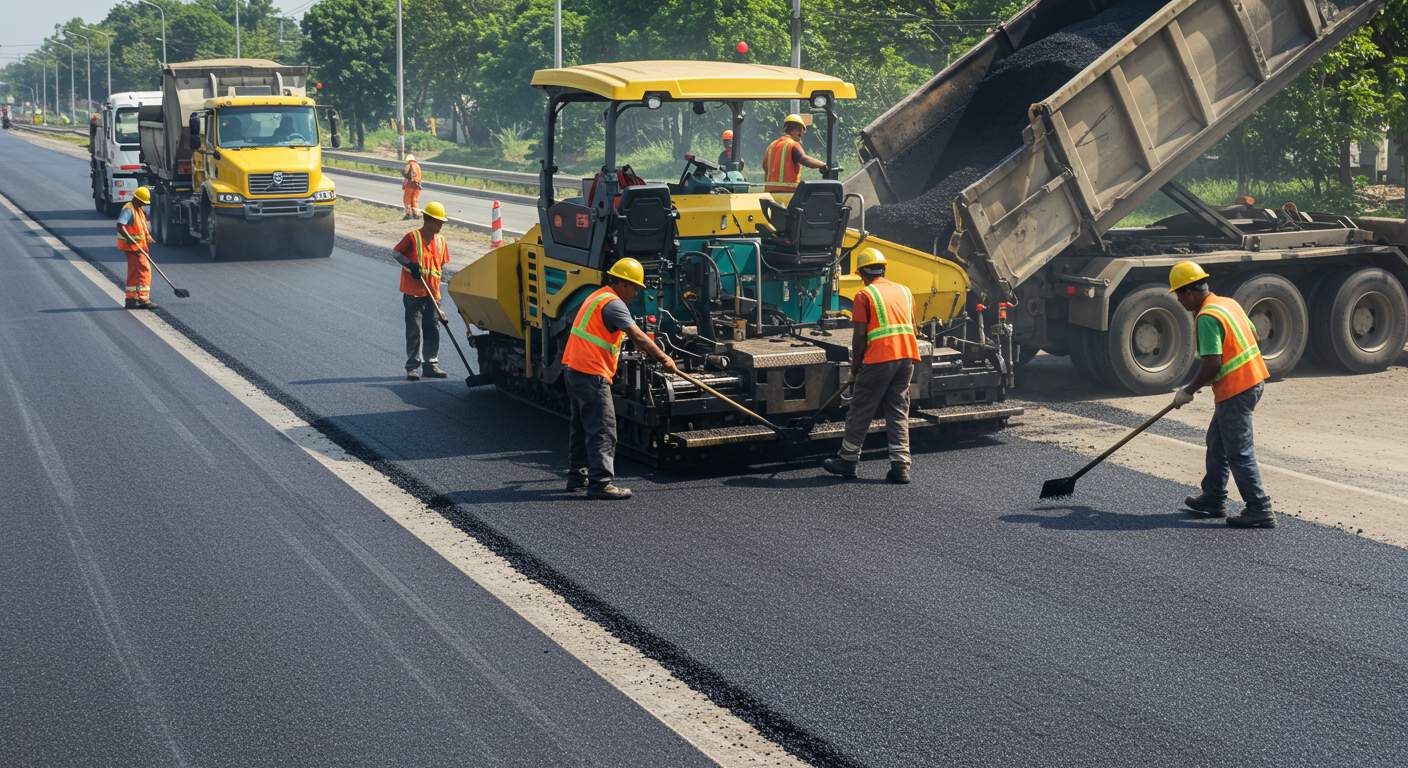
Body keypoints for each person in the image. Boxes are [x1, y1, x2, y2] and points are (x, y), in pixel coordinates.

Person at [561, 258, 679, 500]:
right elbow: (639, 336)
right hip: (591, 373)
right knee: (604, 429)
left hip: (574, 369)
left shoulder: (597, 296)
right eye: (635, 287)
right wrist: (663, 358)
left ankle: (577, 477)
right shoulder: (614, 304)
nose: (636, 293)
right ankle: (601, 483)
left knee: (581, 427)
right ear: (622, 283)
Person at [1168, 261, 1275, 528]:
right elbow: (1254, 336)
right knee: (1217, 441)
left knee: (1238, 451)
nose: (1179, 301)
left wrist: (1188, 391)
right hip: (1254, 380)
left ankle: (1259, 508)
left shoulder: (1206, 317)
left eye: (1179, 295)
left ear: (1190, 292)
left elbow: (1212, 363)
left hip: (1237, 388)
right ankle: (1213, 497)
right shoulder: (1228, 303)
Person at [822, 248, 920, 484]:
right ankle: (901, 466)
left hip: (880, 359)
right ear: (884, 268)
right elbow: (914, 328)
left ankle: (847, 461)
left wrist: (855, 367)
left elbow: (859, 337)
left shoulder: (864, 295)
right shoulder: (905, 291)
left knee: (861, 409)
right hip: (907, 356)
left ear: (862, 273)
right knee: (897, 410)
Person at [393, 201, 451, 380]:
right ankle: (412, 366)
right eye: (438, 222)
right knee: (414, 330)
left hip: (433, 294)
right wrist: (410, 264)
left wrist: (440, 302)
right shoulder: (412, 238)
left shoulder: (441, 242)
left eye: (442, 222)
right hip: (414, 293)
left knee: (433, 329)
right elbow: (396, 253)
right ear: (427, 220)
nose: (441, 225)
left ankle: (431, 364)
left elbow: (440, 268)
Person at [762, 114, 826, 193]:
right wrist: (823, 165)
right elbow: (804, 160)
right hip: (788, 193)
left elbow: (765, 167)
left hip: (770, 193)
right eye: (800, 135)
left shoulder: (771, 146)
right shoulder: (792, 144)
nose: (800, 138)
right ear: (795, 130)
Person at [116, 186, 156, 310]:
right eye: (143, 202)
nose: (144, 205)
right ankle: (143, 299)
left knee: (133, 272)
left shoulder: (137, 209)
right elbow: (120, 225)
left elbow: (141, 227)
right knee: (144, 270)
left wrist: (148, 237)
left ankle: (131, 299)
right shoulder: (129, 210)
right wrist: (131, 240)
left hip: (137, 247)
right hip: (133, 247)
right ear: (137, 199)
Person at [402, 154, 423, 220]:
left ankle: (408, 215)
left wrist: (404, 185)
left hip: (410, 186)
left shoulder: (408, 165)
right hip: (417, 186)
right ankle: (416, 215)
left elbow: (406, 176)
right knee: (414, 200)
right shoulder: (417, 166)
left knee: (407, 200)